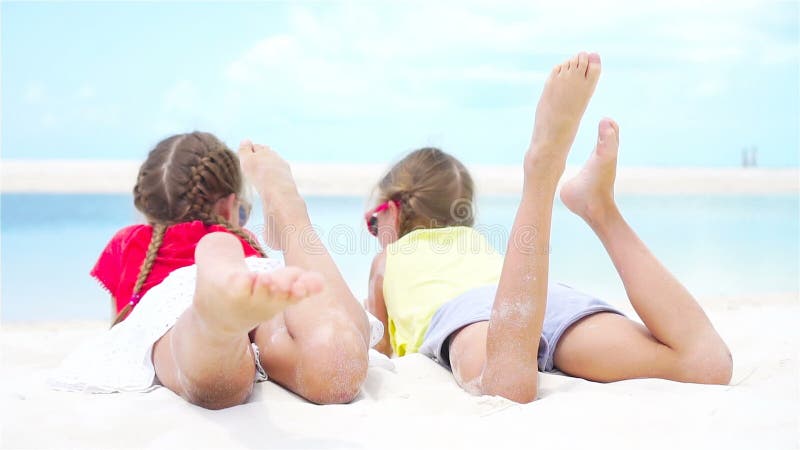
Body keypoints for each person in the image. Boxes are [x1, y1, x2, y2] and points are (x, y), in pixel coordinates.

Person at [364, 52, 732, 403]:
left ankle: (541, 172)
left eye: (373, 221)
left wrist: (383, 257)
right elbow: (516, 289)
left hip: (471, 315)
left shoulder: (387, 260)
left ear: (392, 214)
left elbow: (380, 347)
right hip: (538, 298)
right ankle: (600, 209)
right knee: (705, 363)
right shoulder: (475, 243)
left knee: (504, 385)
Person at [55, 132, 376, 409]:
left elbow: (124, 325)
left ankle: (215, 327)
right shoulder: (242, 239)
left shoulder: (128, 242)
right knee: (334, 370)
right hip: (252, 275)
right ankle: (291, 216)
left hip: (180, 307)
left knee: (209, 375)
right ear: (228, 206)